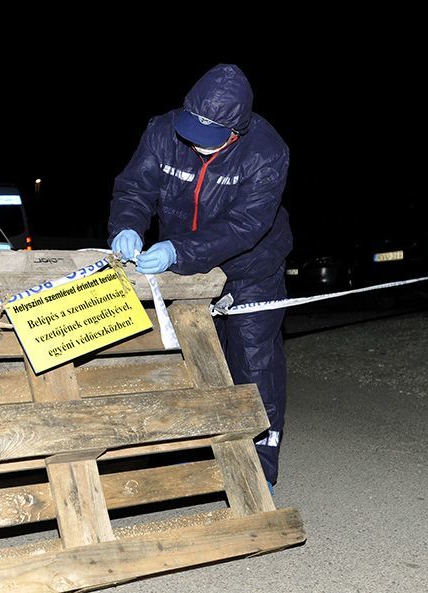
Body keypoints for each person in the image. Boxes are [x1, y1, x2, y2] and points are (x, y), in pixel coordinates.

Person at [108, 63, 292, 490]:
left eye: (210, 141)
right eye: (191, 133)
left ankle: (257, 471)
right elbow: (135, 189)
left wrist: (179, 251)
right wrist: (127, 229)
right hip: (185, 270)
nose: (196, 146)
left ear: (236, 132)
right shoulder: (162, 131)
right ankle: (196, 459)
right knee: (190, 357)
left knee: (252, 360)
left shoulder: (267, 151)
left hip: (250, 266)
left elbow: (247, 224)